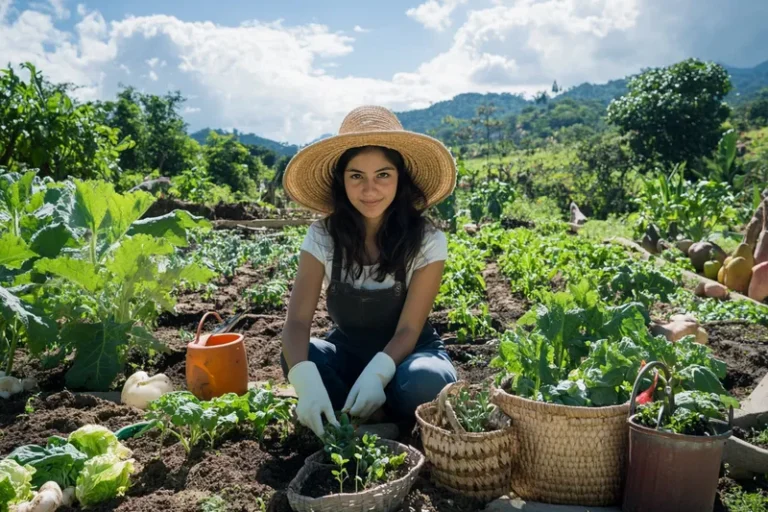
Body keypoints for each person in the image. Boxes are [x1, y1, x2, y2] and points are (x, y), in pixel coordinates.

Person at [279, 105, 458, 439]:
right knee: (302, 356)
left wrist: (378, 374)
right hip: (348, 354)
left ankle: (383, 415)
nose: (369, 189)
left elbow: (408, 329)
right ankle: (363, 414)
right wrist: (305, 381)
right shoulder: (323, 237)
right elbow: (297, 323)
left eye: (383, 175)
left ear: (400, 178)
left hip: (408, 354)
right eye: (356, 176)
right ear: (342, 181)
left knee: (424, 380)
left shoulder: (427, 241)